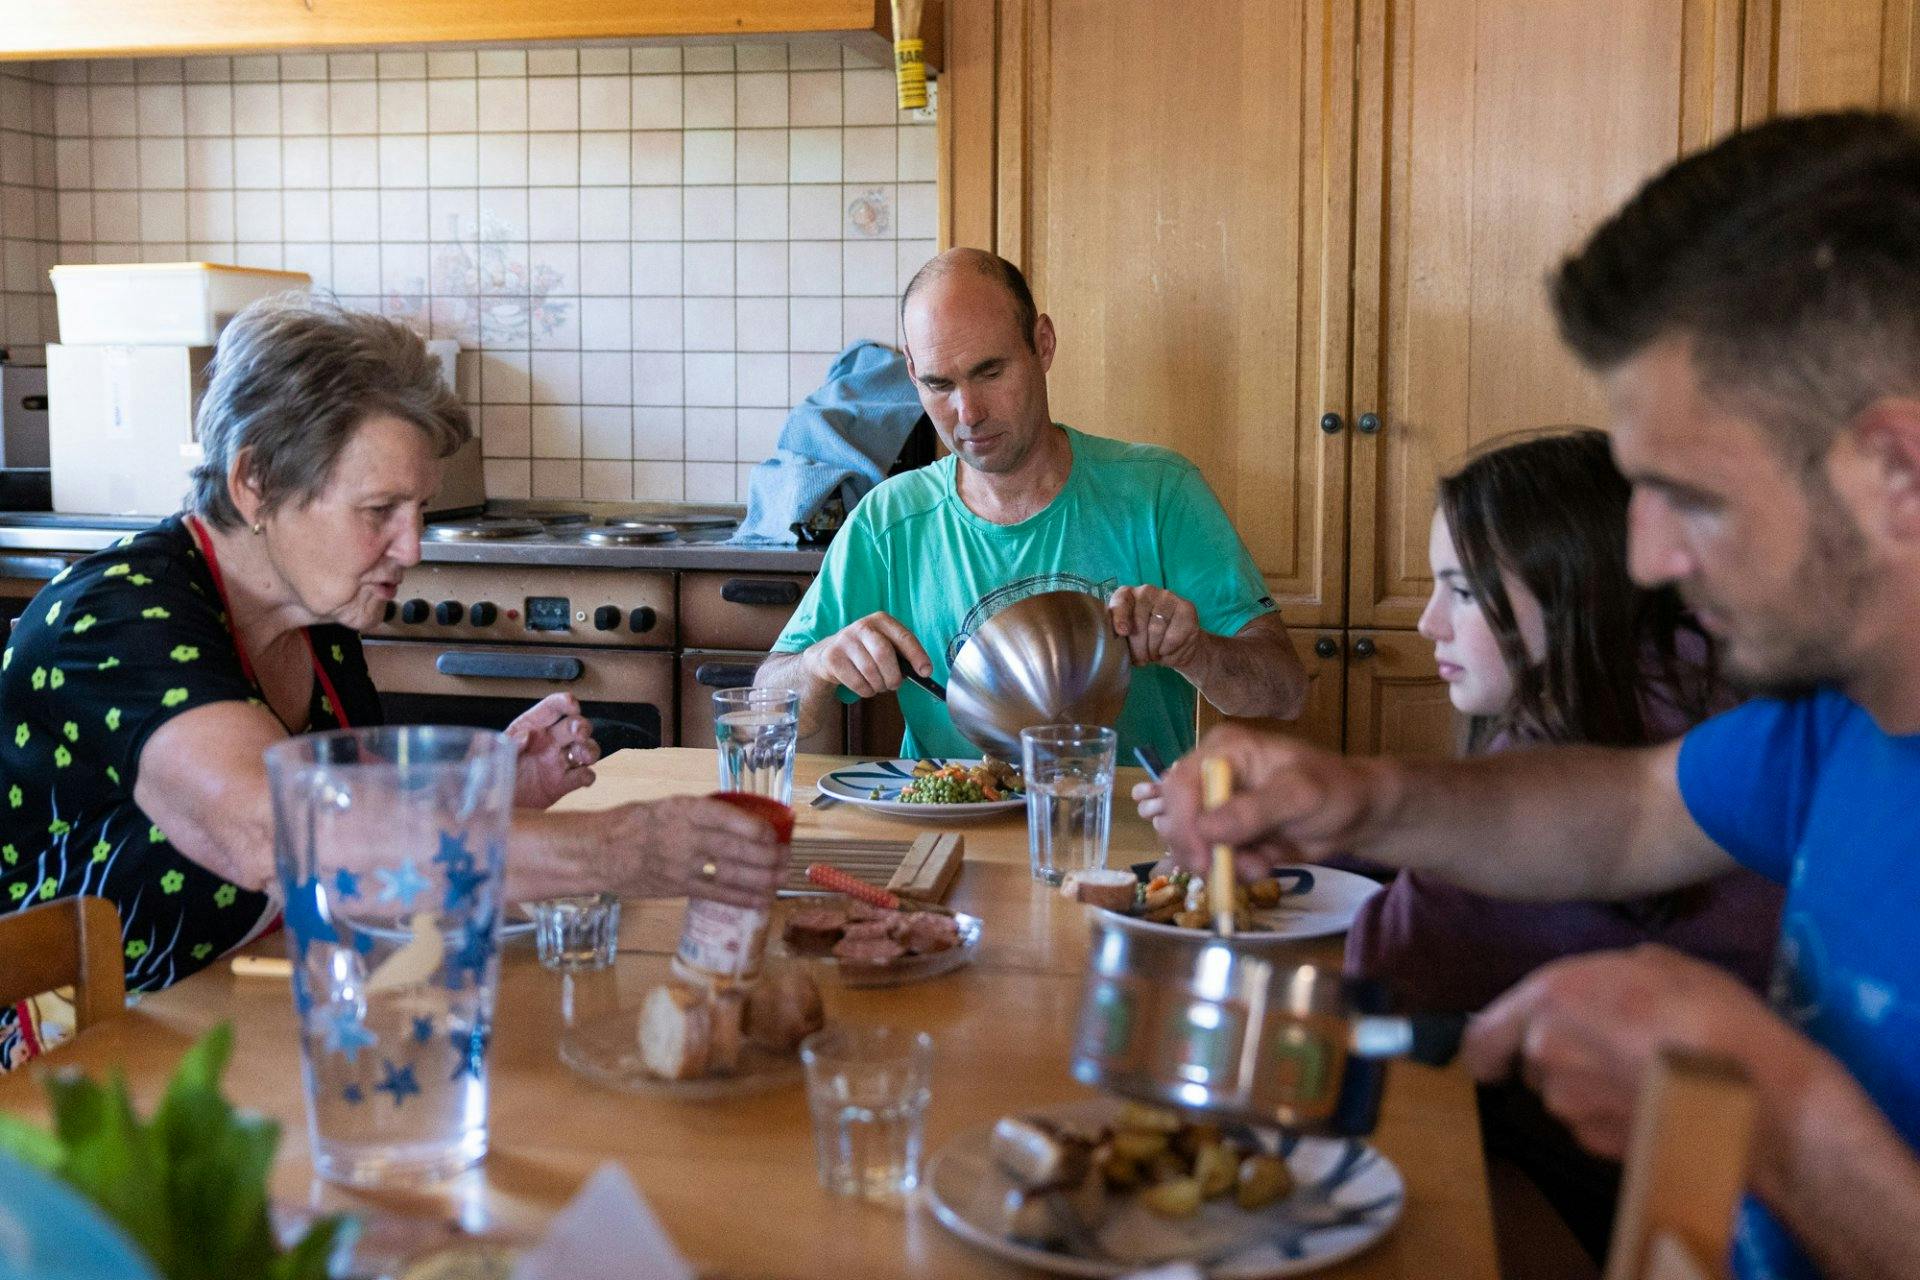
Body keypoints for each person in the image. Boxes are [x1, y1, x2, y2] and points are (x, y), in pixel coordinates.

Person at [1156, 111, 1920, 1280]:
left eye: (1691, 496)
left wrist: (1777, 1126)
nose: (1650, 556)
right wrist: (1357, 795)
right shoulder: (1837, 719)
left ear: (1895, 472)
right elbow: (1622, 812)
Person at [0, 297, 780, 1064]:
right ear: (255, 484)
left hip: (240, 1019)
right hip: (83, 1069)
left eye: (420, 509)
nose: (410, 547)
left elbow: (361, 839)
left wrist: (494, 792)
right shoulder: (112, 620)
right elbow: (276, 838)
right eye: (379, 510)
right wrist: (615, 846)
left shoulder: (320, 624)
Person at [1350, 428, 1785, 1262]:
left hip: (1647, 1205)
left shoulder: (1566, 735)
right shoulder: (1693, 687)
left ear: (1575, 594)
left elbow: (1396, 964)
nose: (1426, 620)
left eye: (1464, 591)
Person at [755, 248, 1306, 763]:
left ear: (1043, 344)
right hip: (952, 843)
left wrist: (1197, 653)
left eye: (990, 372)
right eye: (939, 384)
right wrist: (817, 665)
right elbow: (763, 711)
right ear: (912, 378)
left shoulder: (1159, 491)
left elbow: (1285, 691)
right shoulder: (887, 523)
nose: (967, 413)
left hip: (1131, 846)